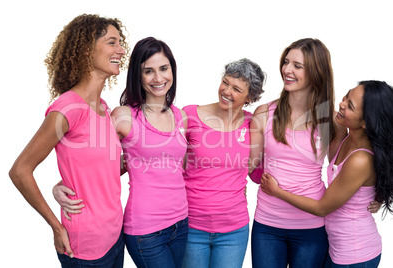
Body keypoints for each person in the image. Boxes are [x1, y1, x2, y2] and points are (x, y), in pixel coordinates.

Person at [54, 37, 189, 268]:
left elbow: (179, 168)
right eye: (149, 71)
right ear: (138, 74)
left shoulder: (181, 116)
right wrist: (61, 185)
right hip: (146, 230)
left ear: (172, 71)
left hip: (181, 222)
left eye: (164, 69)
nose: (158, 78)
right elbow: (93, 161)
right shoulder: (123, 116)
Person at [9, 14, 130, 267]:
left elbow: (101, 170)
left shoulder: (104, 108)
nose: (121, 50)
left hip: (116, 237)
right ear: (87, 49)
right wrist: (55, 225)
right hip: (85, 248)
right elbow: (20, 171)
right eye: (112, 42)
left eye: (121, 43)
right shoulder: (68, 107)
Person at [261, 80, 393, 267]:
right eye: (346, 96)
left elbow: (322, 208)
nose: (341, 104)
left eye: (350, 106)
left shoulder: (360, 160)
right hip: (336, 248)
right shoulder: (348, 138)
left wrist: (278, 192)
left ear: (365, 122)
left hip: (355, 254)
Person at [249, 38, 337, 267]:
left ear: (317, 73)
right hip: (268, 224)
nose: (286, 70)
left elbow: (340, 172)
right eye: (286, 62)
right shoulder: (264, 113)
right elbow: (249, 165)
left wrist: (376, 196)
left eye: (297, 66)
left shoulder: (331, 120)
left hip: (311, 226)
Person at [182, 58, 265, 268]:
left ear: (250, 97)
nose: (227, 91)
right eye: (225, 82)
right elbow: (175, 166)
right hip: (192, 226)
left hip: (234, 230)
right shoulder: (190, 114)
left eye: (236, 89)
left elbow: (254, 169)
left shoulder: (252, 123)